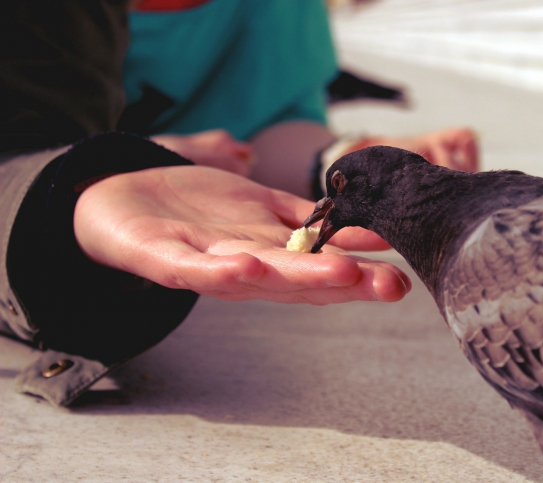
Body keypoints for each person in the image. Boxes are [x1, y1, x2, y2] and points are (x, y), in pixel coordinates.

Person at [0, 0, 411, 407]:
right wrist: (81, 186)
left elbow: (281, 120)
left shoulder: (286, 9)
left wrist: (340, 155)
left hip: (184, 185)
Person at [121, 0, 479, 200]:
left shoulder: (284, 9)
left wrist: (353, 159)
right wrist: (118, 159)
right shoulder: (68, 23)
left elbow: (273, 133)